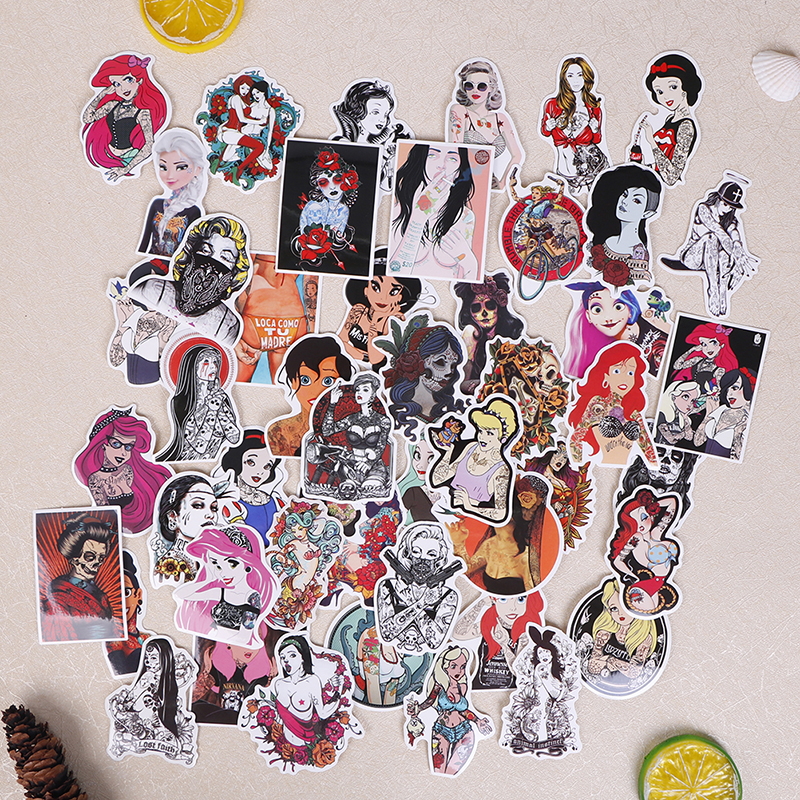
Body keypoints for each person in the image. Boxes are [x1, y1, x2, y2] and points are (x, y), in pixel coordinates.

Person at [129, 216, 251, 348]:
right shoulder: (154, 289)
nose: (208, 267)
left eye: (225, 258)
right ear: (190, 253)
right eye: (205, 250)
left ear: (235, 272)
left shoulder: (227, 325)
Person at [661, 180, 759, 317]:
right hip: (692, 257)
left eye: (731, 207)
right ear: (718, 198)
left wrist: (738, 246)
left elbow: (734, 232)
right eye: (725, 204)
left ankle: (722, 291)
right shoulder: (704, 209)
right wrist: (737, 258)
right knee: (712, 238)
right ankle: (713, 288)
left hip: (713, 262)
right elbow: (719, 232)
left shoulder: (729, 218)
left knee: (724, 255)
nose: (727, 209)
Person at [73, 407, 172, 535]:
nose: (123, 453)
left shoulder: (127, 471)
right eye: (116, 444)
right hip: (117, 529)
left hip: (143, 527)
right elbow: (106, 516)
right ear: (103, 443)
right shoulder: (96, 480)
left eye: (128, 447)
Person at [174, 526, 277, 647]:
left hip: (226, 646)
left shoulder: (252, 598)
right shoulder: (221, 592)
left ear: (247, 563)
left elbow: (244, 637)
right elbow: (180, 595)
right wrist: (207, 580)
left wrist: (215, 640)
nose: (224, 573)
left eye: (232, 564)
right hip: (212, 641)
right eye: (218, 566)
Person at [389, 143, 479, 280]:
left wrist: (467, 258)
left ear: (459, 170)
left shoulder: (465, 217)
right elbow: (393, 273)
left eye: (452, 159)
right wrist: (418, 218)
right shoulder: (397, 212)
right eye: (432, 155)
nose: (442, 165)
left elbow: (469, 277)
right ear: (421, 162)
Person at [452, 475, 551, 594]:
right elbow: (467, 569)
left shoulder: (526, 555)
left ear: (514, 514)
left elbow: (533, 595)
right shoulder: (489, 545)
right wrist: (458, 542)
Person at [82, 53, 169, 183]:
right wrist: (102, 94)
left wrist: (126, 169)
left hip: (127, 158)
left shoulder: (142, 113)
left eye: (128, 80)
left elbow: (149, 144)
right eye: (116, 84)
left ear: (139, 80)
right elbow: (87, 119)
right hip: (107, 156)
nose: (123, 88)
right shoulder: (112, 105)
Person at [430, 396, 519, 523]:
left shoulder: (502, 469)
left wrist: (469, 506)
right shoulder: (471, 447)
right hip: (442, 507)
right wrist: (448, 452)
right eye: (481, 431)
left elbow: (500, 513)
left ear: (503, 438)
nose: (482, 437)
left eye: (489, 433)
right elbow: (437, 479)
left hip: (469, 521)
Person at [405, 646, 492, 776]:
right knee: (439, 769)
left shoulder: (462, 686)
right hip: (442, 730)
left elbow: (463, 711)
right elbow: (429, 701)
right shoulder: (439, 686)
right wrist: (417, 709)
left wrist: (477, 721)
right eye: (453, 666)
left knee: (452, 771)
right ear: (444, 667)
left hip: (464, 730)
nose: (459, 671)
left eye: (462, 666)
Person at [376, 523, 462, 653]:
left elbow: (435, 641)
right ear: (407, 554)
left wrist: (416, 601)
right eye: (416, 552)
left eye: (431, 554)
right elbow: (386, 633)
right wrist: (420, 603)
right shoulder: (388, 586)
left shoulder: (448, 595)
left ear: (439, 558)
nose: (423, 559)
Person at [568, 342, 656, 467]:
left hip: (622, 468)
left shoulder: (633, 410)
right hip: (602, 468)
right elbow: (575, 440)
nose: (624, 379)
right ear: (606, 375)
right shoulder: (598, 405)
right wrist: (578, 467)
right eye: (617, 371)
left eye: (630, 373)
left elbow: (648, 449)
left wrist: (654, 466)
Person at [306, 373, 392, 500]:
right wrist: (332, 404)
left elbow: (381, 445)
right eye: (357, 389)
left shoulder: (383, 421)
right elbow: (327, 431)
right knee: (341, 492)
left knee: (369, 490)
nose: (359, 393)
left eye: (365, 390)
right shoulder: (352, 419)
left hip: (373, 467)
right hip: (351, 466)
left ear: (373, 394)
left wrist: (369, 463)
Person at [267, 335, 355, 457]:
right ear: (293, 382)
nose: (316, 391)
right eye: (305, 380)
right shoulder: (279, 433)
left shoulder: (353, 431)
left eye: (328, 381)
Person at [234, 254, 315, 383]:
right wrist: (314, 332)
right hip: (292, 320)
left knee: (237, 387)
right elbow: (311, 283)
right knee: (285, 388)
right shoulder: (300, 246)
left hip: (256, 315)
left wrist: (236, 326)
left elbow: (243, 274)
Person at [41, 513, 122, 642]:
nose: (96, 563)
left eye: (101, 558)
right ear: (74, 558)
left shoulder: (101, 597)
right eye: (90, 556)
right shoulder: (57, 599)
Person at [563, 281, 669, 378]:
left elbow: (674, 333)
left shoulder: (650, 318)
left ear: (630, 309)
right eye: (597, 310)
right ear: (588, 316)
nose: (608, 317)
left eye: (618, 307)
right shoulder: (613, 357)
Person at [447, 59, 524, 191]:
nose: (475, 90)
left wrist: (502, 184)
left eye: (481, 86)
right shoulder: (459, 111)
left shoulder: (501, 118)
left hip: (490, 183)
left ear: (491, 88)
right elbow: (454, 149)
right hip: (464, 181)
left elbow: (518, 155)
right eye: (469, 85)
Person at [338, 249, 423, 368]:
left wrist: (375, 320)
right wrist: (364, 357)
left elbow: (376, 359)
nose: (383, 298)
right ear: (366, 290)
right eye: (376, 287)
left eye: (393, 291)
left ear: (400, 297)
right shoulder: (358, 310)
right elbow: (339, 342)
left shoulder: (395, 320)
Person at [157, 343, 240, 463]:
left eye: (215, 362)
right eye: (206, 362)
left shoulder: (220, 397)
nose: (213, 367)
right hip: (186, 462)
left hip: (215, 463)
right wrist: (212, 410)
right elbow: (199, 447)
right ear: (193, 367)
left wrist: (219, 407)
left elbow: (234, 437)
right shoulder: (182, 402)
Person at [266, 501, 342, 630]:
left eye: (300, 529)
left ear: (307, 527)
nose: (298, 533)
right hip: (297, 582)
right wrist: (293, 565)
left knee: (296, 609)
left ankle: (290, 620)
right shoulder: (294, 544)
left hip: (306, 584)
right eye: (294, 531)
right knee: (290, 607)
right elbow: (280, 556)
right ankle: (288, 620)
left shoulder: (314, 545)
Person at [383, 319, 465, 438]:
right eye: (440, 362)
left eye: (453, 366)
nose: (449, 372)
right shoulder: (396, 412)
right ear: (417, 362)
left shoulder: (452, 410)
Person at [631, 53, 703, 187]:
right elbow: (662, 163)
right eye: (659, 92)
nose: (665, 96)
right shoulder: (670, 118)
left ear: (686, 86)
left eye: (673, 87)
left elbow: (671, 177)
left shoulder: (686, 126)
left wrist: (652, 141)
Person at [540, 55, 610, 194]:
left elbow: (597, 139)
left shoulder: (593, 107)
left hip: (593, 167)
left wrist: (595, 129)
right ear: (564, 79)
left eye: (580, 75)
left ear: (586, 77)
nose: (576, 80)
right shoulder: (552, 105)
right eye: (570, 76)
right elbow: (545, 132)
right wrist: (548, 126)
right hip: (565, 171)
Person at [331, 79, 413, 193]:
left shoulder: (380, 146)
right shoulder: (342, 143)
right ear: (358, 110)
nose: (382, 120)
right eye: (375, 112)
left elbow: (386, 188)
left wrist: (389, 160)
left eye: (385, 114)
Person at [585, 164, 662, 287]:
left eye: (636, 200)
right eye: (625, 194)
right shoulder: (608, 241)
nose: (625, 201)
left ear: (647, 213)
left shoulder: (638, 253)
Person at [609, 488, 680, 615]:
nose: (640, 524)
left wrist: (652, 505)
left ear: (651, 516)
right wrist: (633, 576)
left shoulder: (656, 533)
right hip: (642, 588)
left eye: (643, 517)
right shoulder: (637, 538)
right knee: (648, 614)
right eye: (634, 522)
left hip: (658, 584)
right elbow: (617, 561)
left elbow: (672, 503)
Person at [138, 128, 208, 257]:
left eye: (180, 167)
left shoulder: (194, 211)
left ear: (197, 169)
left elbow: (191, 251)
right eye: (163, 167)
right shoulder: (157, 204)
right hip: (151, 263)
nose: (170, 175)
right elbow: (144, 242)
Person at [453, 271, 524, 394]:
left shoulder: (511, 333)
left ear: (498, 307)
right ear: (469, 312)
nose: (484, 313)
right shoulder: (471, 334)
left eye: (490, 305)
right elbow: (462, 384)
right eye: (476, 308)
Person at [149, 473, 223, 584]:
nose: (210, 514)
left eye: (214, 508)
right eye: (198, 505)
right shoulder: (169, 567)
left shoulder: (211, 560)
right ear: (173, 517)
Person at [293, 149, 360, 270]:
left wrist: (339, 236)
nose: (332, 187)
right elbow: (309, 236)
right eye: (324, 182)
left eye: (337, 180)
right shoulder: (315, 206)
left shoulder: (344, 209)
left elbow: (339, 238)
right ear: (317, 185)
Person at [219, 429, 283, 545]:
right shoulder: (231, 504)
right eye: (251, 462)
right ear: (237, 461)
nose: (260, 471)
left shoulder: (276, 500)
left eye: (267, 466)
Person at [586, 578, 657, 683]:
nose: (620, 614)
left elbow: (634, 672)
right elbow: (592, 666)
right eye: (614, 608)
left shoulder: (644, 637)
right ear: (609, 611)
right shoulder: (604, 633)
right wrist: (621, 665)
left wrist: (608, 659)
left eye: (625, 607)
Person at [106, 551, 152, 677]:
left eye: (126, 593)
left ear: (138, 595)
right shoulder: (114, 643)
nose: (120, 602)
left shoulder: (147, 637)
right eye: (114, 594)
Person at [692, 368, 755, 460]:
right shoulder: (721, 409)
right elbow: (697, 442)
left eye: (735, 388)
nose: (729, 394)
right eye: (727, 389)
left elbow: (739, 458)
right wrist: (708, 414)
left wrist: (738, 433)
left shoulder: (749, 420)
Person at [655, 380, 702, 448]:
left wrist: (685, 417)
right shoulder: (661, 414)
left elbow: (689, 437)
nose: (689, 404)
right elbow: (671, 439)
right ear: (673, 396)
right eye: (685, 397)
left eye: (692, 401)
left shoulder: (681, 418)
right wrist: (684, 434)